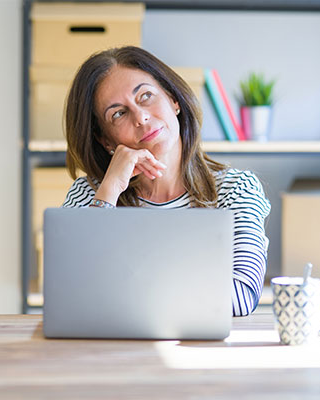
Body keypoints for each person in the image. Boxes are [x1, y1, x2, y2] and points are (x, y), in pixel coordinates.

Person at [62, 46, 271, 316]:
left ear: (173, 99)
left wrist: (119, 295)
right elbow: (69, 294)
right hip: (112, 353)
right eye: (118, 113)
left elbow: (241, 297)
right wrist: (110, 190)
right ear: (106, 140)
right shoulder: (89, 195)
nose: (141, 117)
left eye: (146, 96)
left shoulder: (237, 190)